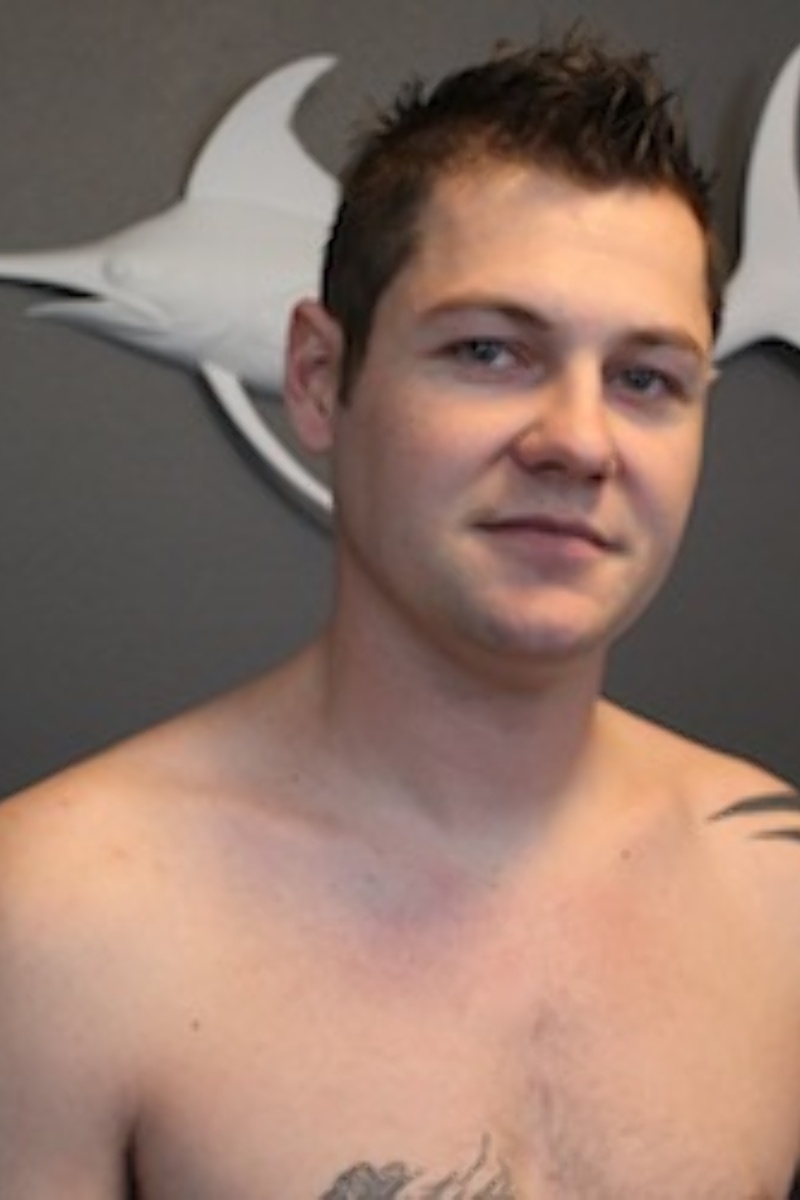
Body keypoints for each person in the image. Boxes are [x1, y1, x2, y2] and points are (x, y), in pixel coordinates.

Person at [1, 28, 799, 1200]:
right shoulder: (55, 921)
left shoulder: (773, 887)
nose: (578, 442)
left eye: (644, 379)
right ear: (320, 379)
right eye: (489, 351)